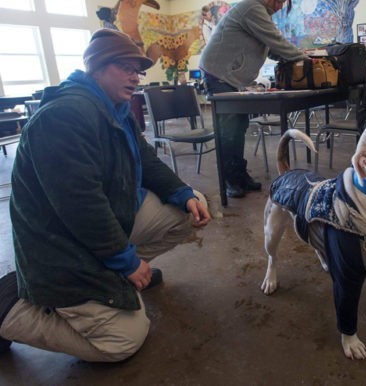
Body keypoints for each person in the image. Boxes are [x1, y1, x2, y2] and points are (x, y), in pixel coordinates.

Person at [0, 29, 211, 362]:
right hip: (59, 249)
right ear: (96, 67)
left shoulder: (116, 108)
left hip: (96, 228)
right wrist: (127, 261)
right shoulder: (63, 117)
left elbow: (146, 160)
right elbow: (81, 205)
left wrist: (182, 193)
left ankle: (113, 278)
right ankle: (9, 309)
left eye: (137, 70)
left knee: (190, 207)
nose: (135, 77)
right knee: (124, 340)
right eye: (125, 67)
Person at [199, 0, 307, 198]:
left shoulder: (260, 12)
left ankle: (240, 175)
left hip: (228, 76)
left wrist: (293, 55)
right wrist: (306, 58)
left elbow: (272, 48)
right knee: (228, 129)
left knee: (239, 126)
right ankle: (230, 180)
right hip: (218, 72)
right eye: (279, 1)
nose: (280, 6)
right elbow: (276, 41)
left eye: (283, 2)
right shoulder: (252, 8)